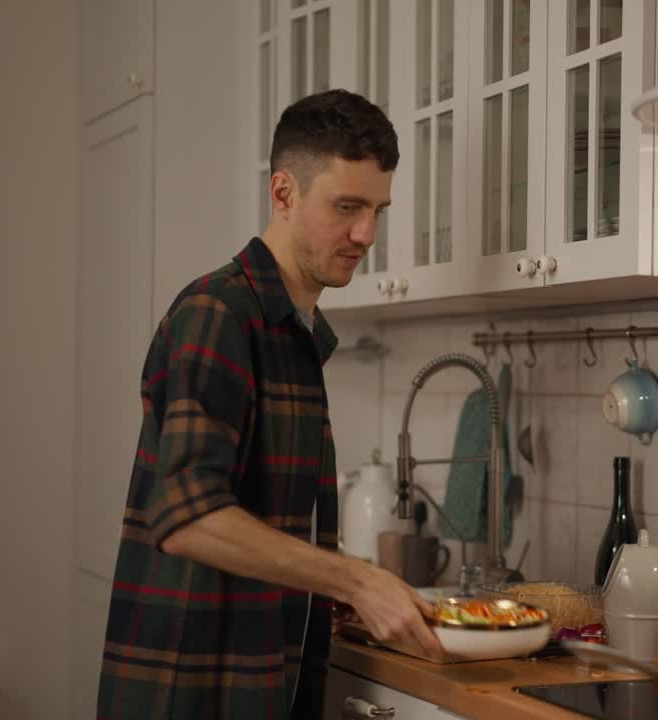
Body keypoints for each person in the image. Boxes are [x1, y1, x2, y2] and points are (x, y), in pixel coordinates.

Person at [97, 89, 443, 720]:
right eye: (347, 206)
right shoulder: (218, 313)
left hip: (257, 680)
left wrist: (339, 588)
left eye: (377, 210)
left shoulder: (298, 334)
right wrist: (356, 580)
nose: (366, 234)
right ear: (283, 193)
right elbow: (186, 516)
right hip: (189, 693)